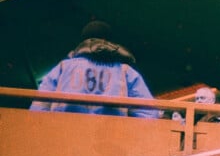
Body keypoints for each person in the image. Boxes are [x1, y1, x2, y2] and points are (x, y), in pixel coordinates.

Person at [30, 20, 158, 118]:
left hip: (64, 132)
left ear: (82, 42)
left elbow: (39, 108)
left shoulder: (64, 67)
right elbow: (148, 113)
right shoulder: (125, 71)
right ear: (109, 42)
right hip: (110, 138)